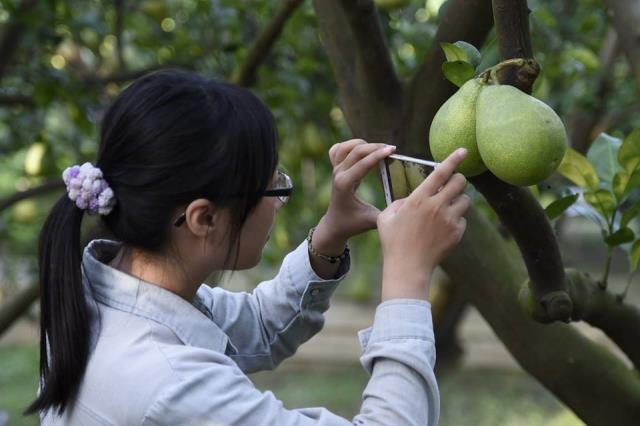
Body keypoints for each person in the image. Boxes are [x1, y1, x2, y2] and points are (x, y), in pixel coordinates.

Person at [26, 69, 470, 425]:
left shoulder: (101, 292)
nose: (280, 200)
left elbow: (254, 327)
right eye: (274, 188)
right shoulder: (171, 383)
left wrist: (329, 237)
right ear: (204, 217)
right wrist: (407, 278)